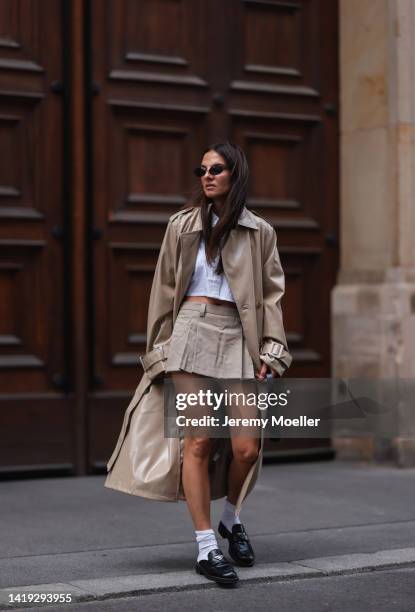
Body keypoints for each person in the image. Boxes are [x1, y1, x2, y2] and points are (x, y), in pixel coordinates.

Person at [104, 141, 292, 587]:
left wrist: (271, 348)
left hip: (238, 334)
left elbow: (272, 295)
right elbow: (164, 290)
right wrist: (160, 349)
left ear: (235, 174)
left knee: (247, 445)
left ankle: (231, 519)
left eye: (217, 169)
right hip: (190, 329)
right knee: (199, 441)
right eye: (201, 169)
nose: (207, 176)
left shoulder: (260, 231)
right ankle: (207, 546)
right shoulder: (182, 225)